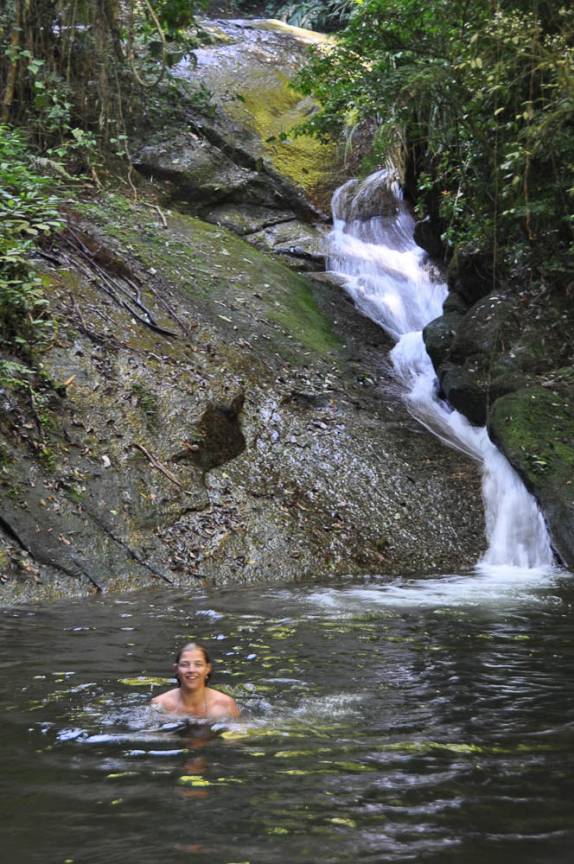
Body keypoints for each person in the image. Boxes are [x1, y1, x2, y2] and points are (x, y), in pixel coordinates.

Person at [151, 642, 240, 720]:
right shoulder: (160, 704)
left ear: (207, 669)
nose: (191, 670)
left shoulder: (225, 705)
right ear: (176, 669)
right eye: (185, 665)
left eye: (198, 664)